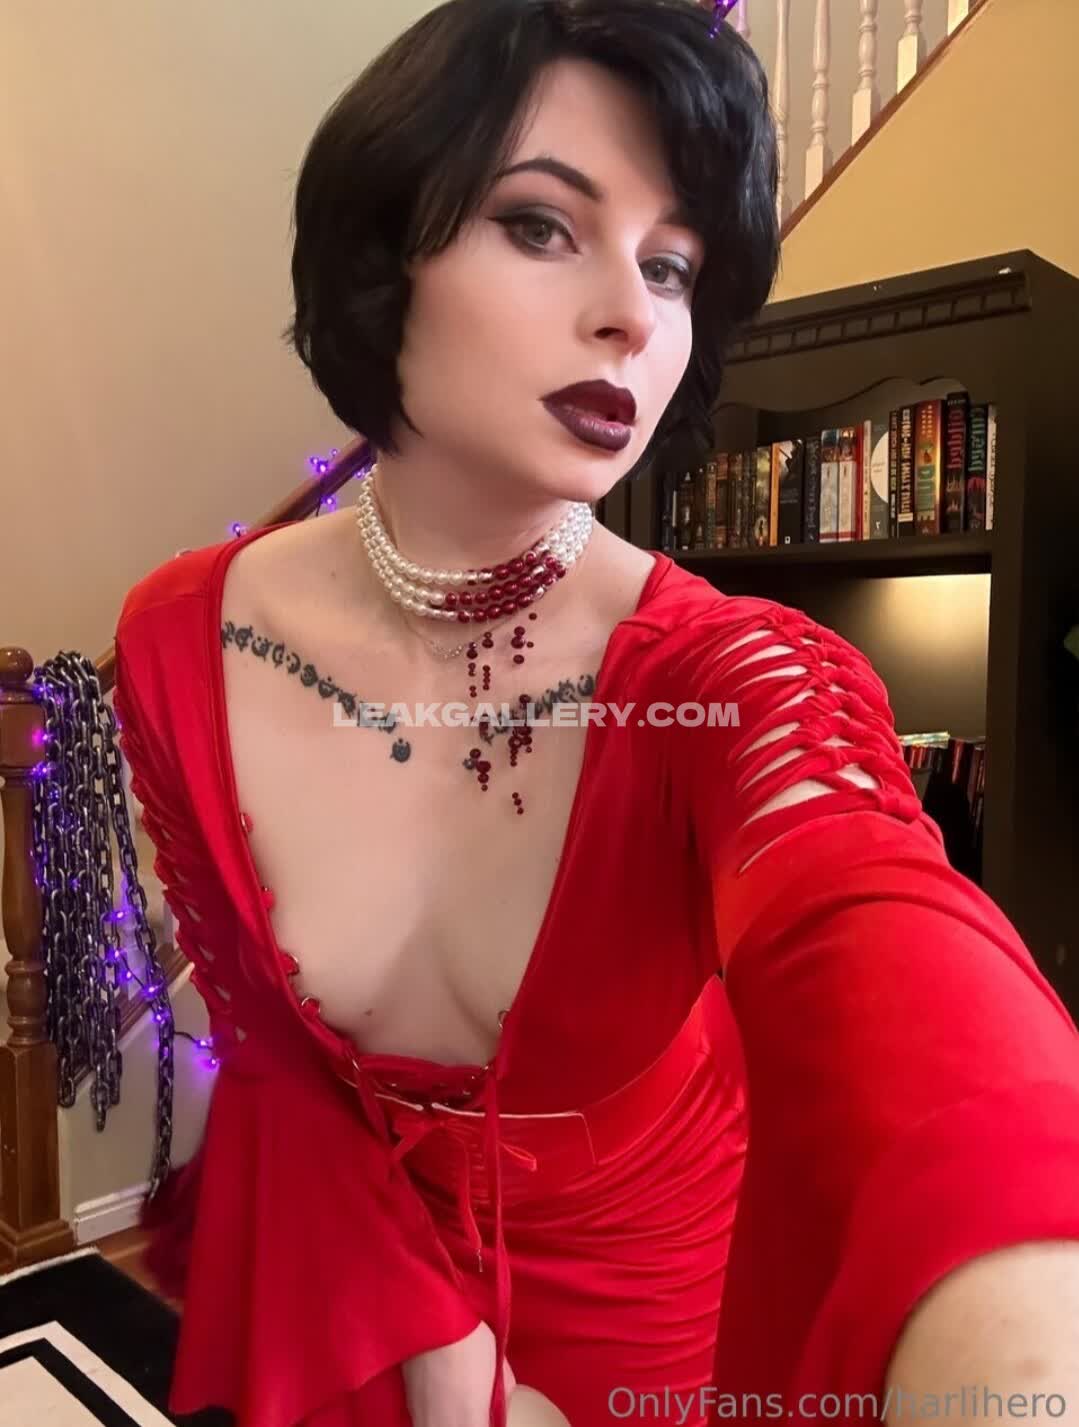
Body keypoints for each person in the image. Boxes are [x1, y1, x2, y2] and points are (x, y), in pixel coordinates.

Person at [112, 2, 1079, 1425]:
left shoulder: (732, 677)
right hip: (341, 1282)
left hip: (645, 1330)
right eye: (542, 225)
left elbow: (898, 960)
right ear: (382, 254)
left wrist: (1024, 1340)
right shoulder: (179, 638)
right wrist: (444, 1350)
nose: (636, 314)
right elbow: (264, 1043)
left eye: (673, 265)